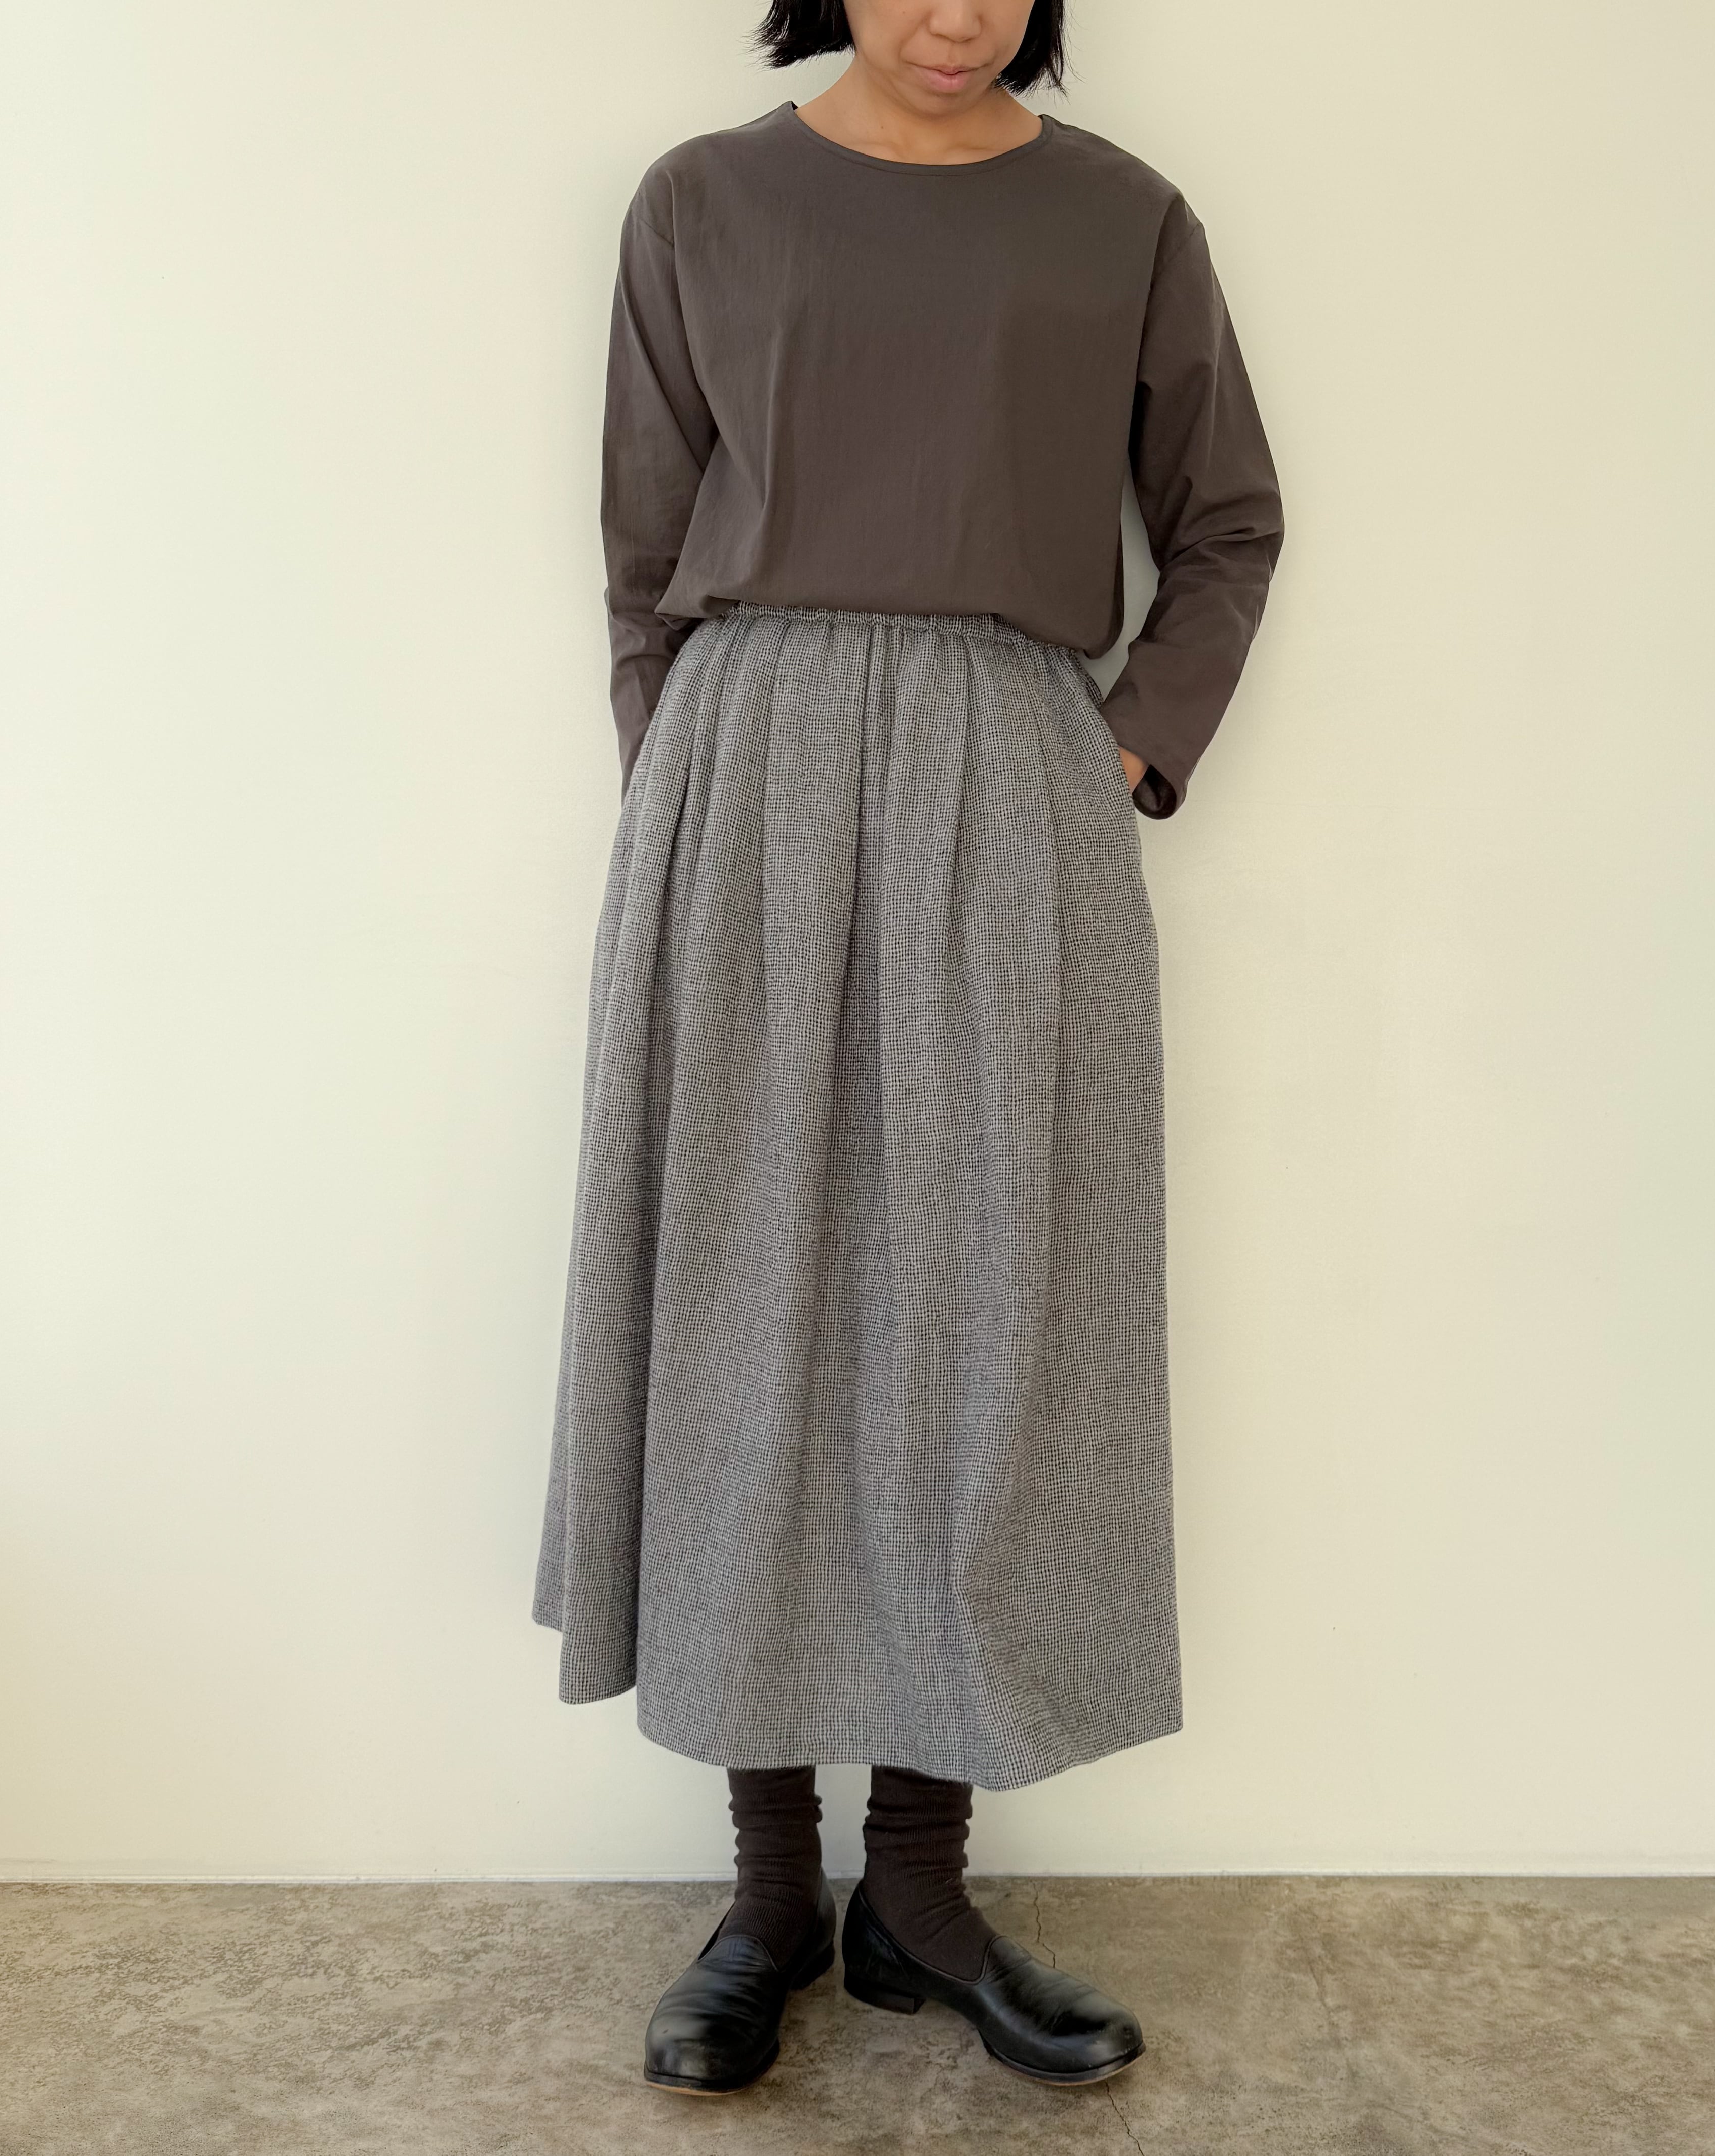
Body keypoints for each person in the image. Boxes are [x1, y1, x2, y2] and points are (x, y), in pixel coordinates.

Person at [535, 0, 1283, 2096]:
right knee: (743, 1304)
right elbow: (641, 544)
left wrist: (1121, 749)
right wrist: (686, 781)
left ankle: (922, 1896)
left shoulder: (1121, 219)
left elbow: (1226, 518)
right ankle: (770, 1891)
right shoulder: (703, 202)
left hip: (1008, 767)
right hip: (747, 762)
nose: (957, 11)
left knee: (985, 1310)